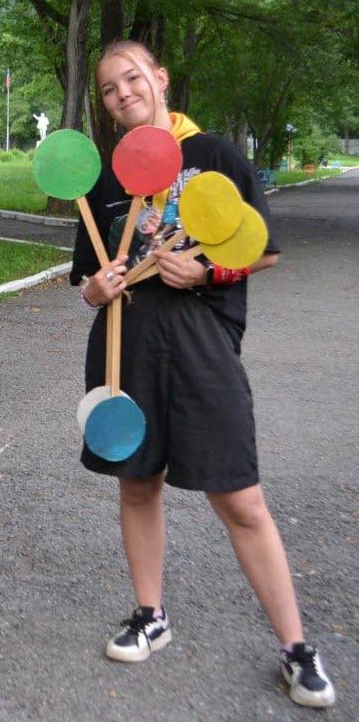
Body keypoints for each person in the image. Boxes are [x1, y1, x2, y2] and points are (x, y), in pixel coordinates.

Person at [70, 40, 336, 708]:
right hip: (125, 346)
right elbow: (88, 280)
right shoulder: (103, 176)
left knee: (240, 500)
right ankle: (150, 614)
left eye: (132, 78)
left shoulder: (213, 155)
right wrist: (98, 291)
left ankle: (297, 649)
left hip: (202, 346)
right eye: (108, 88)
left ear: (159, 78)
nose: (123, 93)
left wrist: (209, 272)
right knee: (136, 484)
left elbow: (263, 251)